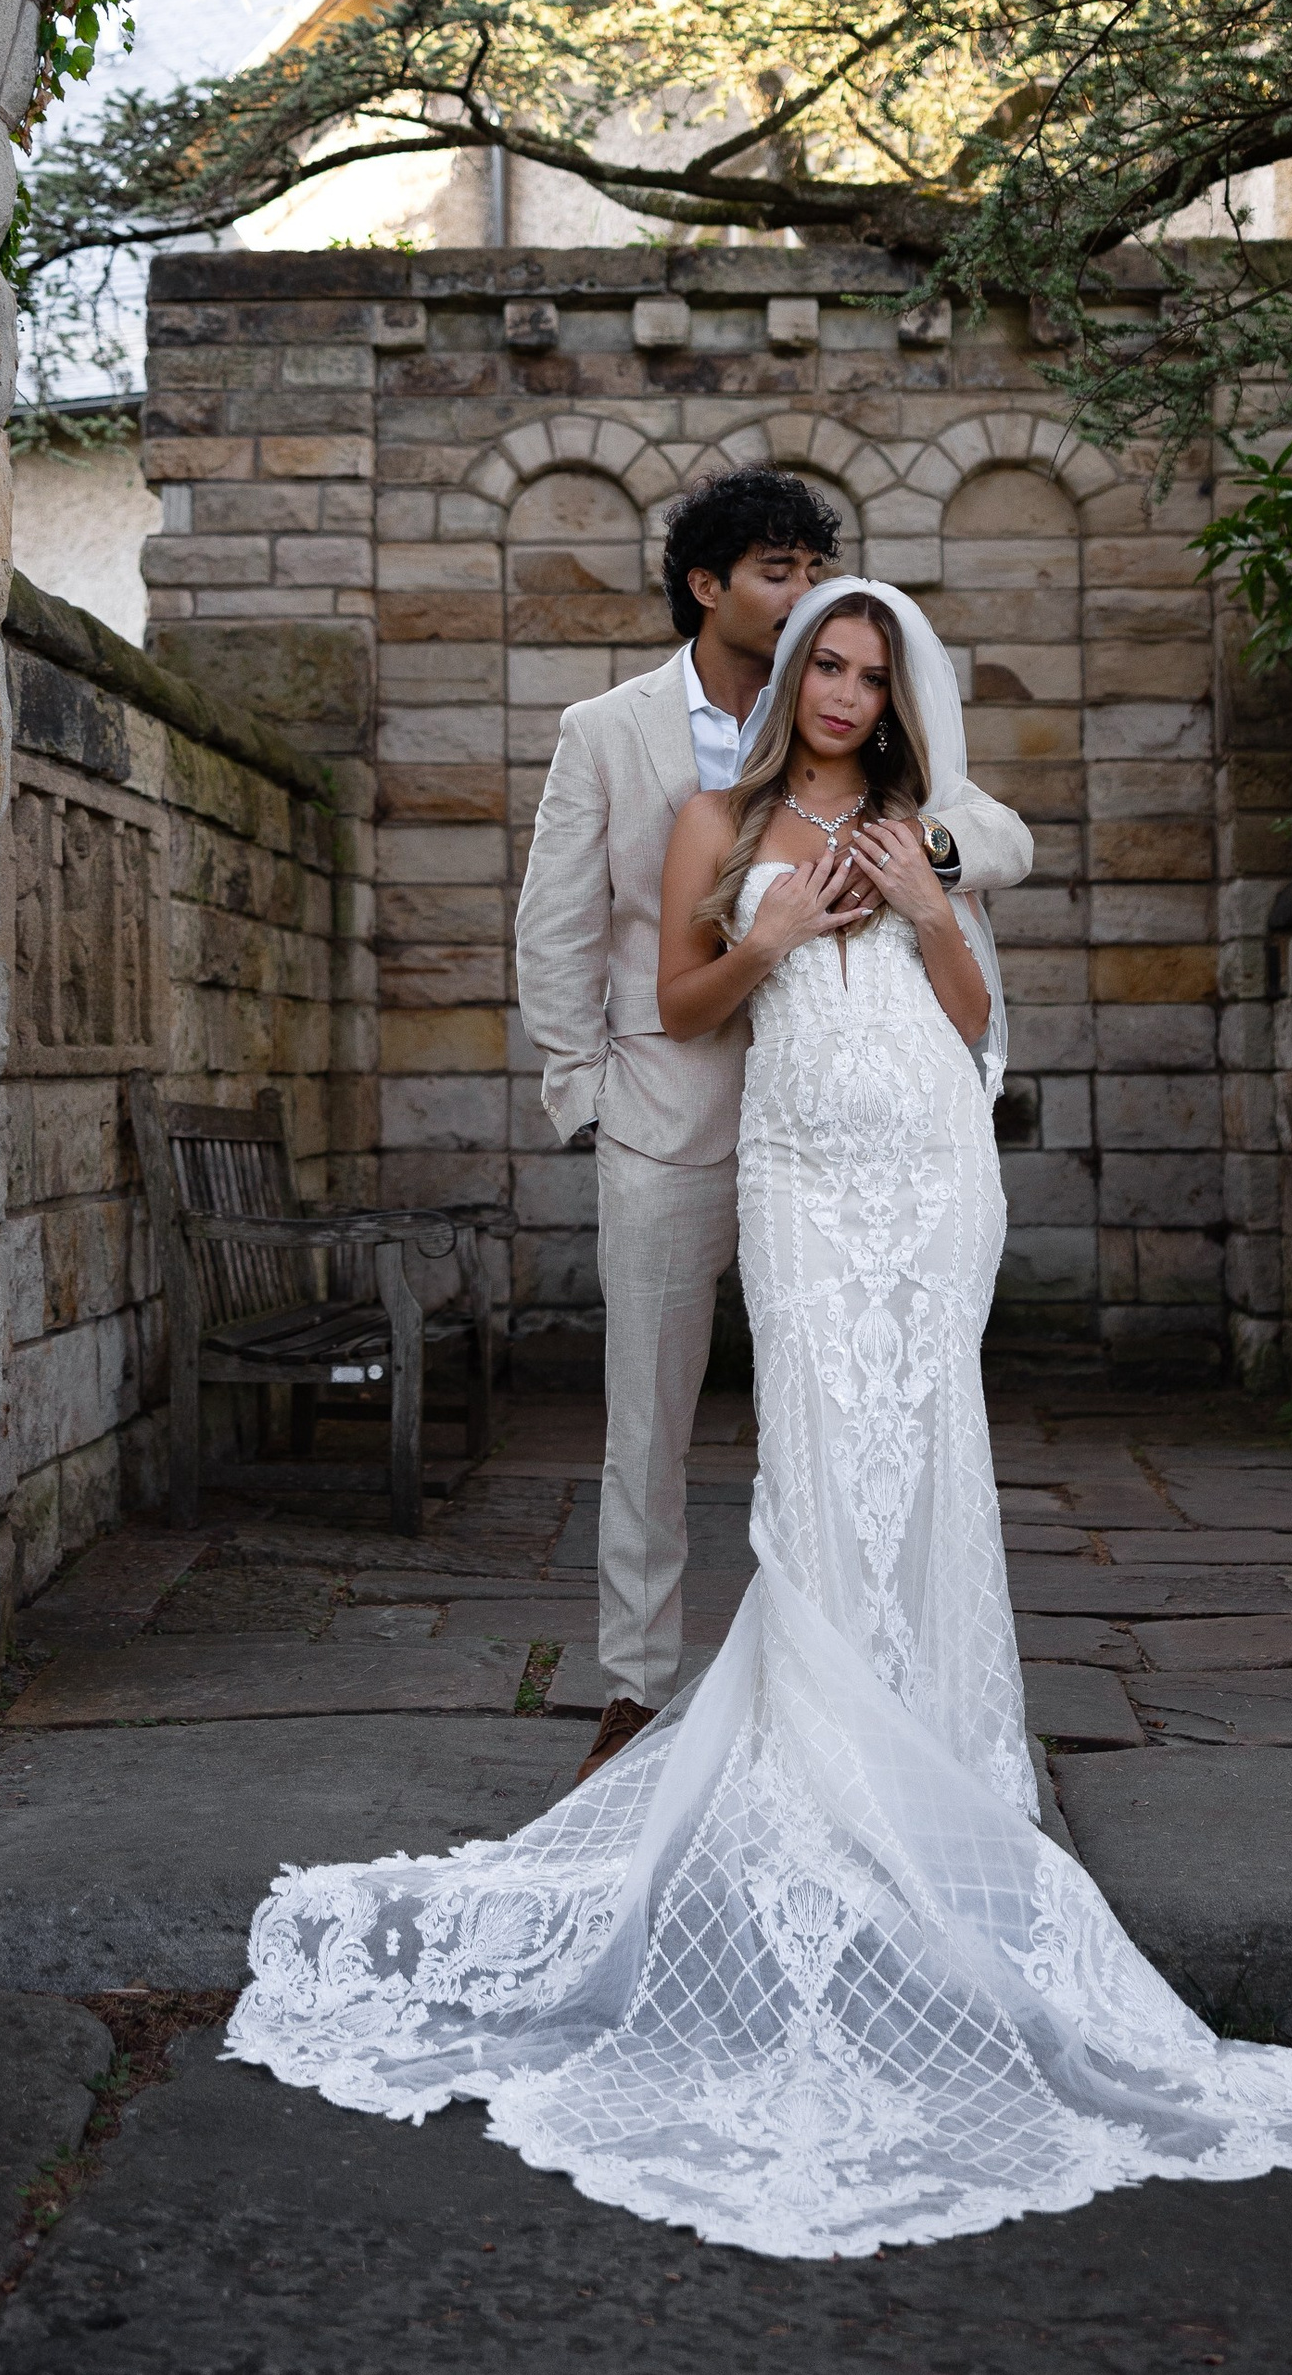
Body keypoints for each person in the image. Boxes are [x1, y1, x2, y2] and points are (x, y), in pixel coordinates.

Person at [225, 579, 1292, 2257]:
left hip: (930, 1163)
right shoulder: (717, 814)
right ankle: (816, 1774)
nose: (847, 691)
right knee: (816, 1459)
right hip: (792, 1167)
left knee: (924, 1452)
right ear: (792, 676)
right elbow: (689, 1004)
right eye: (825, 666)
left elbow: (978, 1026)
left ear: (897, 690)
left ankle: (938, 1753)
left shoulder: (936, 826)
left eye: (871, 670)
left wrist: (918, 906)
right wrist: (775, 934)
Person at [508, 466, 1035, 1780]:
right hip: (672, 1126)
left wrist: (931, 876)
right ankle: (636, 1691)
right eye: (784, 573)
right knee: (653, 1423)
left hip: (868, 1132)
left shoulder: (885, 756)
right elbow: (557, 932)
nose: (812, 603)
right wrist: (587, 1103)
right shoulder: (610, 732)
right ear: (712, 586)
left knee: (853, 1420)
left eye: (818, 573)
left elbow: (1000, 841)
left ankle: (871, 1690)